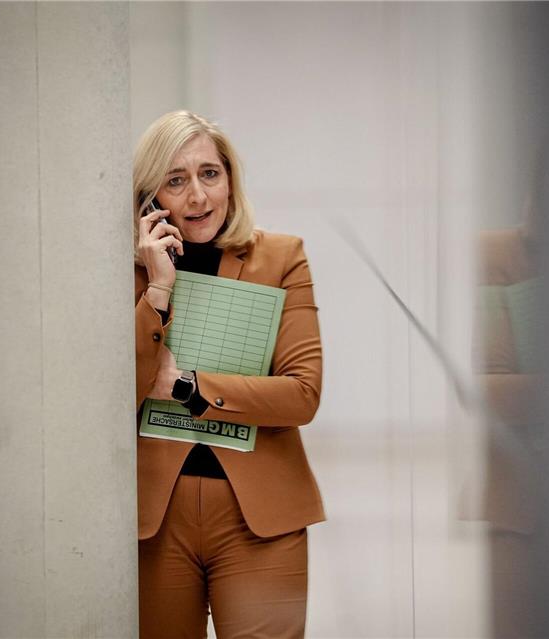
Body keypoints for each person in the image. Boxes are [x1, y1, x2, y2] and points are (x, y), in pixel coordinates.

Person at [133, 111, 325, 638]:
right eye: (176, 180)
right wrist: (157, 287)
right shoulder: (125, 272)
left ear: (230, 180)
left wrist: (187, 387)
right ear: (151, 198)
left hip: (260, 517)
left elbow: (301, 394)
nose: (197, 195)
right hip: (156, 520)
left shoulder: (281, 258)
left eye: (209, 174)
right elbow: (113, 392)